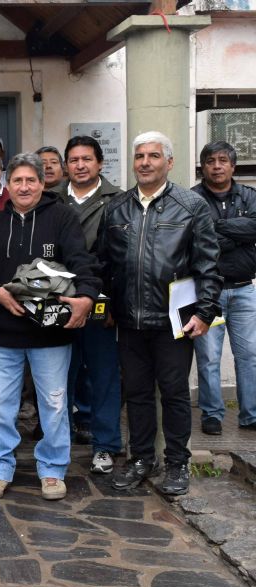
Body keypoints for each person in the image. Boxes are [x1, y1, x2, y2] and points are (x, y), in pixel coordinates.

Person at [0, 152, 101, 501]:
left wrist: (87, 296)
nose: (24, 187)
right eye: (18, 180)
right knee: (0, 404)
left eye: (31, 180)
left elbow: (82, 262)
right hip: (3, 331)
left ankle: (53, 469)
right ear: (8, 185)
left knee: (54, 404)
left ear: (43, 183)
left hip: (50, 333)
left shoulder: (63, 218)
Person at [99, 131, 221, 496]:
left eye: (153, 156)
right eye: (139, 156)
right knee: (136, 394)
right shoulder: (117, 208)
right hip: (129, 321)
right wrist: (108, 307)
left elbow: (208, 264)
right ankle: (141, 459)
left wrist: (204, 312)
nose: (145, 162)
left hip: (174, 322)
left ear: (169, 162)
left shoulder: (191, 206)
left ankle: (177, 463)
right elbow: (105, 263)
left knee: (174, 394)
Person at [55, 135, 124, 474]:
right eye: (74, 160)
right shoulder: (52, 198)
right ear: (66, 165)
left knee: (103, 375)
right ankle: (58, 446)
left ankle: (106, 445)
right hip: (59, 300)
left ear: (100, 163)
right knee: (57, 377)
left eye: (86, 159)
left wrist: (113, 304)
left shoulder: (118, 200)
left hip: (100, 302)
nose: (80, 165)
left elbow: (122, 258)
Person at [192, 140, 256, 435]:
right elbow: (196, 238)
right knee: (208, 358)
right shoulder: (192, 198)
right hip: (208, 292)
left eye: (222, 161)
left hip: (244, 289)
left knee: (249, 356)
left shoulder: (249, 196)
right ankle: (212, 414)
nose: (216, 166)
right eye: (210, 161)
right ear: (202, 167)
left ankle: (250, 414)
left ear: (233, 166)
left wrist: (216, 228)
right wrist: (238, 232)